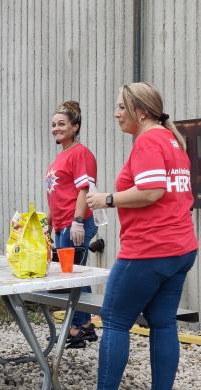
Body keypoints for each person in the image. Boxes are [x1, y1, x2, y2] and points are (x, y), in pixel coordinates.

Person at [86, 82, 198, 390]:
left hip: (150, 250)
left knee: (114, 320)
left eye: (122, 107)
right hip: (181, 249)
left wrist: (107, 199)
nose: (116, 113)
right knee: (163, 323)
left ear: (142, 111)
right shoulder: (173, 141)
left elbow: (151, 191)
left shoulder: (148, 142)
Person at [45, 100, 99, 348]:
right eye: (54, 124)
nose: (56, 128)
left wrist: (77, 221)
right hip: (62, 224)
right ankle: (83, 325)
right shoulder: (60, 156)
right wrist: (49, 221)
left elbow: (83, 188)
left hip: (75, 223)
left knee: (72, 276)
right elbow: (57, 193)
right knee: (73, 275)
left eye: (62, 124)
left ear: (75, 127)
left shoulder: (80, 153)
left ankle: (77, 327)